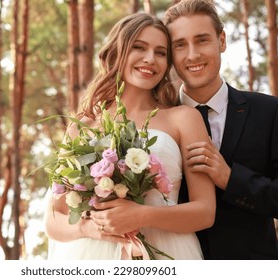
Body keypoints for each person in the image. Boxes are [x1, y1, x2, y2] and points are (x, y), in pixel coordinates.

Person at [43, 12, 216, 260]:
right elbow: (54, 219)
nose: (150, 59)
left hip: (168, 253)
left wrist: (140, 215)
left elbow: (205, 212)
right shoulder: (84, 124)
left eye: (160, 52)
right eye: (139, 47)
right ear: (117, 52)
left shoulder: (184, 118)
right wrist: (89, 227)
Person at [161, 0, 278, 259]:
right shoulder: (156, 122)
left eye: (202, 40)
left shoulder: (269, 112)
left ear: (222, 41)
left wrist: (230, 179)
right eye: (180, 45)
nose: (192, 55)